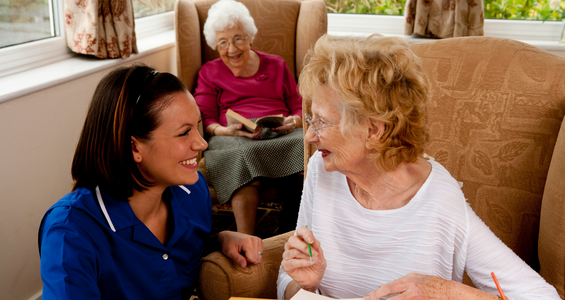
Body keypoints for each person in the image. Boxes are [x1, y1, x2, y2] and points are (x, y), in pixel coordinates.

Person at [276, 35, 560, 300]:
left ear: (374, 131)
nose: (309, 136)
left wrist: (446, 292)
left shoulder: (437, 199)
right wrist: (304, 285)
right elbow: (286, 279)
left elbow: (541, 296)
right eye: (311, 120)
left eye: (322, 122)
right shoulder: (323, 169)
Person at [38, 64, 263, 299]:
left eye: (197, 126)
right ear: (134, 147)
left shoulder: (193, 191)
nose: (201, 144)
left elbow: (174, 259)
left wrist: (219, 240)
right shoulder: (69, 233)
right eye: (184, 133)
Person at [194, 0, 304, 235]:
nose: (231, 49)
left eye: (238, 39)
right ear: (215, 44)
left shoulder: (276, 64)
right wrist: (223, 130)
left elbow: (298, 105)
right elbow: (204, 117)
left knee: (306, 144)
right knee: (241, 153)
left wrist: (292, 122)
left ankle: (291, 233)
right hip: (233, 136)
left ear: (250, 37)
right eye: (223, 42)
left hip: (280, 134)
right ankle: (246, 240)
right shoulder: (209, 72)